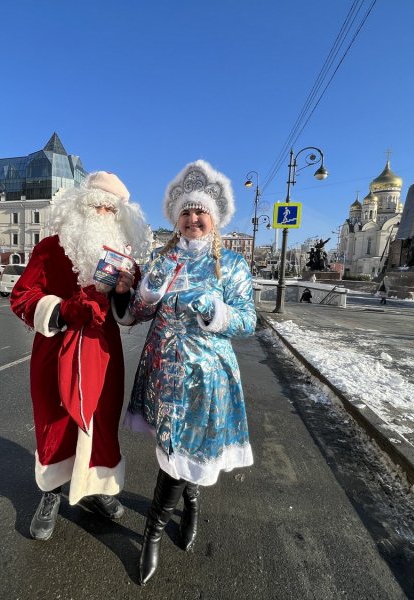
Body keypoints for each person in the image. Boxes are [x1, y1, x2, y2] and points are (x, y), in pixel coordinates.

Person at [124, 160, 256, 585]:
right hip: (163, 373)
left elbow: (248, 321)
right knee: (173, 453)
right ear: (176, 219)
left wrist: (217, 312)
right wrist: (141, 291)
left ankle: (152, 535)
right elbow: (137, 315)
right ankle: (191, 501)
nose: (193, 218)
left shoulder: (232, 265)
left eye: (200, 212)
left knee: (181, 457)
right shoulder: (162, 259)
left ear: (213, 219)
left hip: (208, 379)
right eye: (186, 212)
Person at [9, 172, 149, 541]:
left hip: (102, 352)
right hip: (56, 349)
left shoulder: (124, 259)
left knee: (101, 421)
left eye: (110, 208)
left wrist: (122, 295)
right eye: (96, 204)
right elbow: (21, 296)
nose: (102, 211)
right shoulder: (50, 248)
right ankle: (51, 492)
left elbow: (129, 314)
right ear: (79, 205)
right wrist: (63, 310)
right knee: (54, 420)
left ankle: (98, 487)